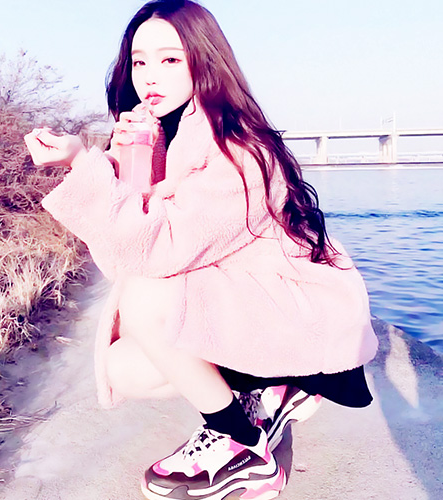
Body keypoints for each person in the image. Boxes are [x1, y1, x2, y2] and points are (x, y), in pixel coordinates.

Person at [24, 1, 379, 498]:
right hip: (249, 301)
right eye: (139, 61)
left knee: (146, 297)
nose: (150, 75)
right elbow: (128, 247)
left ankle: (244, 443)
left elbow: (156, 251)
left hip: (301, 313)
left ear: (204, 61)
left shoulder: (234, 144)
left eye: (170, 59)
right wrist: (125, 159)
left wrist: (83, 163)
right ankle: (259, 395)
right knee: (127, 368)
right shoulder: (173, 133)